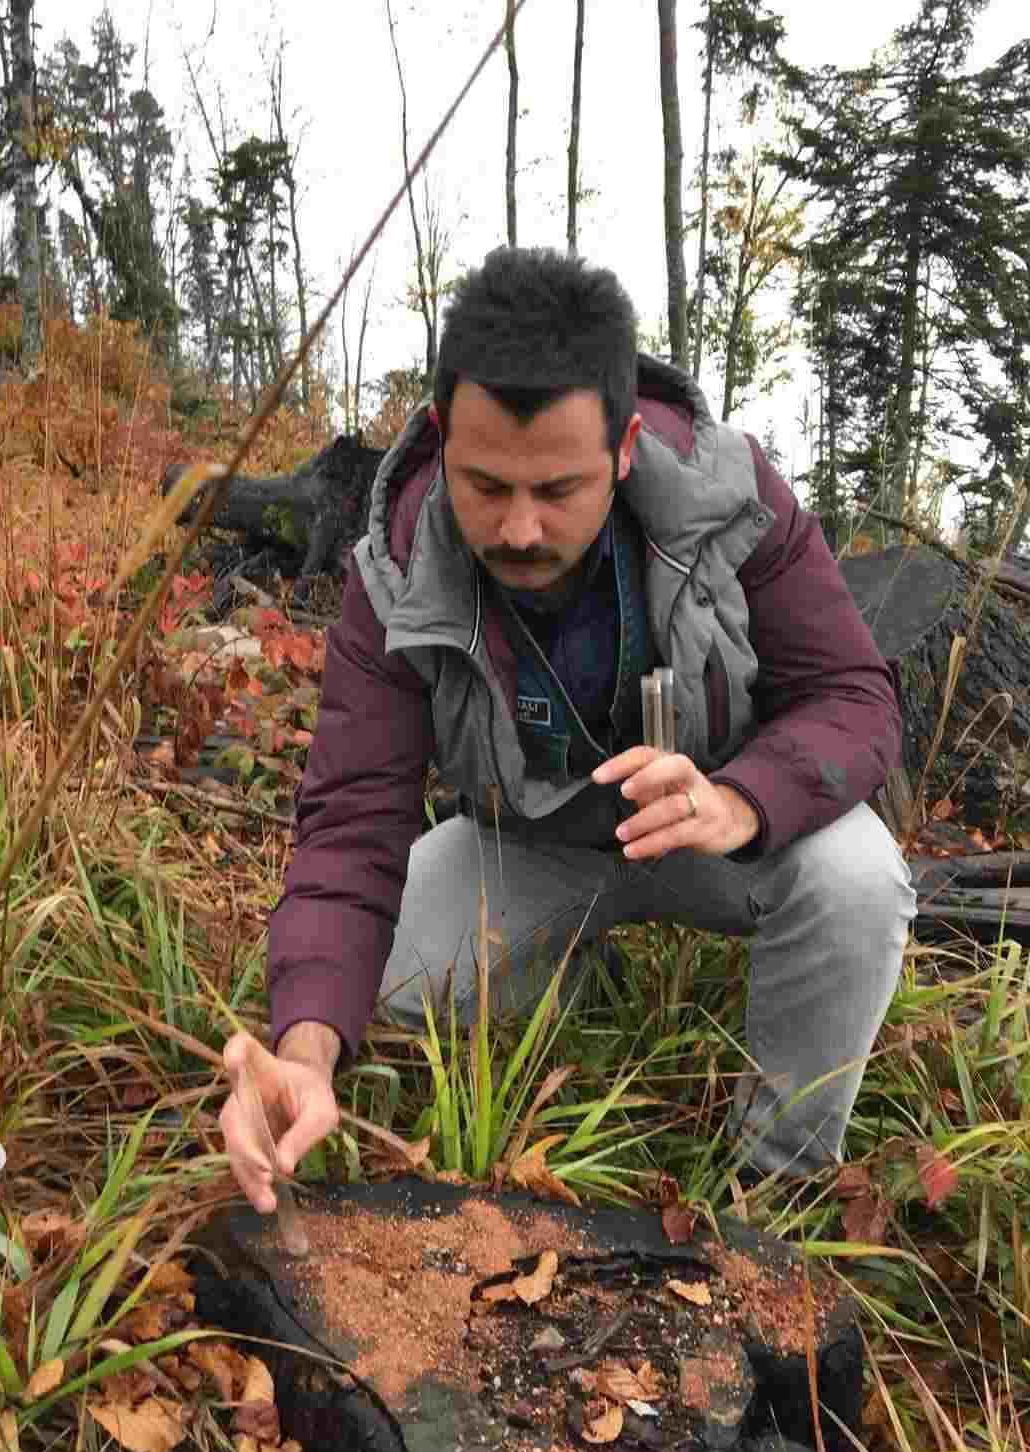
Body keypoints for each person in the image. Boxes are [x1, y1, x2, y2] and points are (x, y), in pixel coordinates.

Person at [219, 245, 917, 1216]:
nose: (516, 529)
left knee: (858, 878)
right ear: (438, 434)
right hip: (534, 839)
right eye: (485, 486)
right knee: (367, 990)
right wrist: (302, 1048)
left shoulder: (734, 501)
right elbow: (350, 820)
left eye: (558, 491)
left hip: (713, 823)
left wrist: (743, 797)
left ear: (625, 448)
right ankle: (572, 967)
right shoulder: (394, 567)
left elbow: (855, 693)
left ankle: (778, 1181)